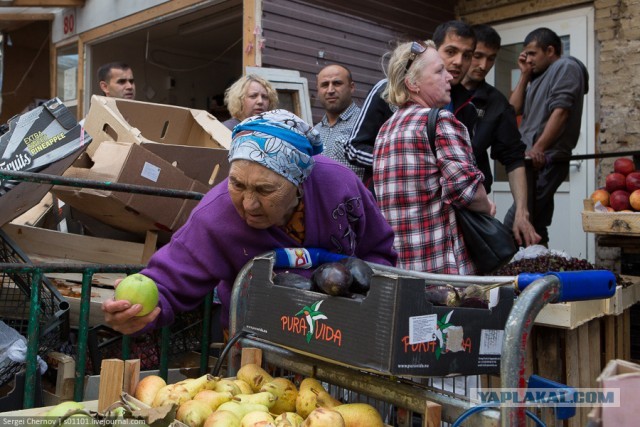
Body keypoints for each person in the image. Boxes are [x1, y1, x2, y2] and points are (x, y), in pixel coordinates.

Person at [102, 109, 397, 336]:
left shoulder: (339, 184)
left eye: (265, 190)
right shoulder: (216, 216)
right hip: (259, 346)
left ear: (299, 185)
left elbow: (379, 251)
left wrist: (366, 296)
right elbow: (168, 283)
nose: (248, 204)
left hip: (347, 335)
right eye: (238, 184)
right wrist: (137, 313)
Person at [373, 40, 495, 275]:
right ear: (413, 83)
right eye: (439, 71)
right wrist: (487, 206)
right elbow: (467, 192)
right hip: (445, 273)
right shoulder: (440, 121)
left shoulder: (385, 130)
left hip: (403, 272)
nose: (449, 77)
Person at [345, 20, 476, 184]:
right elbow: (354, 147)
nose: (458, 61)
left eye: (467, 55)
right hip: (385, 197)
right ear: (435, 51)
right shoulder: (386, 90)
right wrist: (400, 164)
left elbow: (470, 163)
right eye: (451, 52)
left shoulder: (468, 106)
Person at [451, 24, 541, 247]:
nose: (483, 66)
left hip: (473, 205)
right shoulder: (435, 90)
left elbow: (513, 157)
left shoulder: (497, 104)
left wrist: (522, 211)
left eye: (490, 59)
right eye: (477, 56)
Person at [505, 27, 588, 246]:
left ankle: (506, 276)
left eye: (533, 54)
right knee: (537, 225)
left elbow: (561, 111)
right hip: (531, 162)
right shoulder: (536, 78)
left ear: (550, 50)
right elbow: (512, 110)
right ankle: (546, 273)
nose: (528, 59)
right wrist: (524, 75)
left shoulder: (565, 66)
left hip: (544, 161)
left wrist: (538, 148)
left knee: (513, 226)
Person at [313, 64, 366, 179]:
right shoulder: (315, 131)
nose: (330, 90)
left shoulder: (365, 124)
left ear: (351, 87)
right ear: (318, 90)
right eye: (324, 85)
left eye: (337, 83)